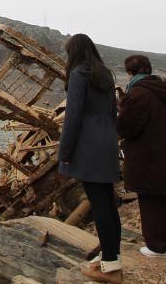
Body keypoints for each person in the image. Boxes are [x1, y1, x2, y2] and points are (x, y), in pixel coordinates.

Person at [117, 54, 166, 258]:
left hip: (147, 157)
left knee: (152, 201)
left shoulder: (137, 94)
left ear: (130, 73)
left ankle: (157, 247)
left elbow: (125, 127)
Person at [58, 34, 122, 283]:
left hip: (88, 145)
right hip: (106, 143)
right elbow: (113, 112)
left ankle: (110, 266)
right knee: (107, 202)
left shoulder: (79, 74)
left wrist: (64, 153)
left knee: (99, 204)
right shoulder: (105, 74)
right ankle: (111, 255)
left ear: (74, 52)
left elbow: (72, 117)